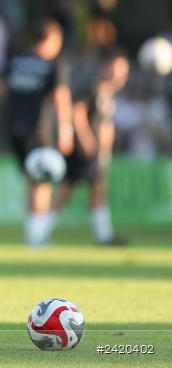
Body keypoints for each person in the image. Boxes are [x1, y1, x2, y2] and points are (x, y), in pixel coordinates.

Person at [47, 50, 130, 245]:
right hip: (83, 149)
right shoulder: (93, 88)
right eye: (116, 68)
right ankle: (41, 230)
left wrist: (105, 152)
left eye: (123, 70)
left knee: (94, 188)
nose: (119, 74)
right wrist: (86, 140)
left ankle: (103, 235)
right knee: (70, 189)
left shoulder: (107, 93)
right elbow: (78, 112)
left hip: (94, 150)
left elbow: (105, 125)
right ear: (106, 67)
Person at [4, 18, 73, 246]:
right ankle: (36, 236)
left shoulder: (15, 62)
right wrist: (65, 130)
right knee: (42, 182)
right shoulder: (52, 65)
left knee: (31, 180)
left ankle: (33, 231)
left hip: (15, 128)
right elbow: (60, 96)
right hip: (39, 129)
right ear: (50, 39)